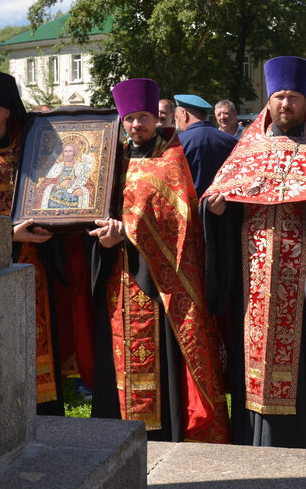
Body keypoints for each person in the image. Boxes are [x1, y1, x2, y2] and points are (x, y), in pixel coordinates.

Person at [201, 56, 306, 450]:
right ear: (269, 99)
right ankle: (253, 438)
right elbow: (220, 193)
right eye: (279, 96)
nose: (285, 104)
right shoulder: (248, 149)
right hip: (255, 281)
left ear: (305, 102)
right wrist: (214, 212)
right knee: (255, 357)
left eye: (293, 97)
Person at [87, 78, 229, 442]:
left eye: (144, 117)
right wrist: (105, 236)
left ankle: (165, 433)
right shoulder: (111, 161)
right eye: (131, 118)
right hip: (118, 275)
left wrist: (128, 230)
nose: (137, 125)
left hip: (158, 282)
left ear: (156, 118)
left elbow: (176, 218)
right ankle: (119, 432)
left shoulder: (171, 157)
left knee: (163, 361)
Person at [0, 72, 95, 416]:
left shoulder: (33, 146)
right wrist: (8, 235)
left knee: (40, 341)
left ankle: (47, 412)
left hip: (37, 262)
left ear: (6, 110)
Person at [173, 93, 237, 196]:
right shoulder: (231, 141)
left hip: (191, 208)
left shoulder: (177, 143)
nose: (177, 122)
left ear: (184, 114)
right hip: (225, 206)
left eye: (176, 117)